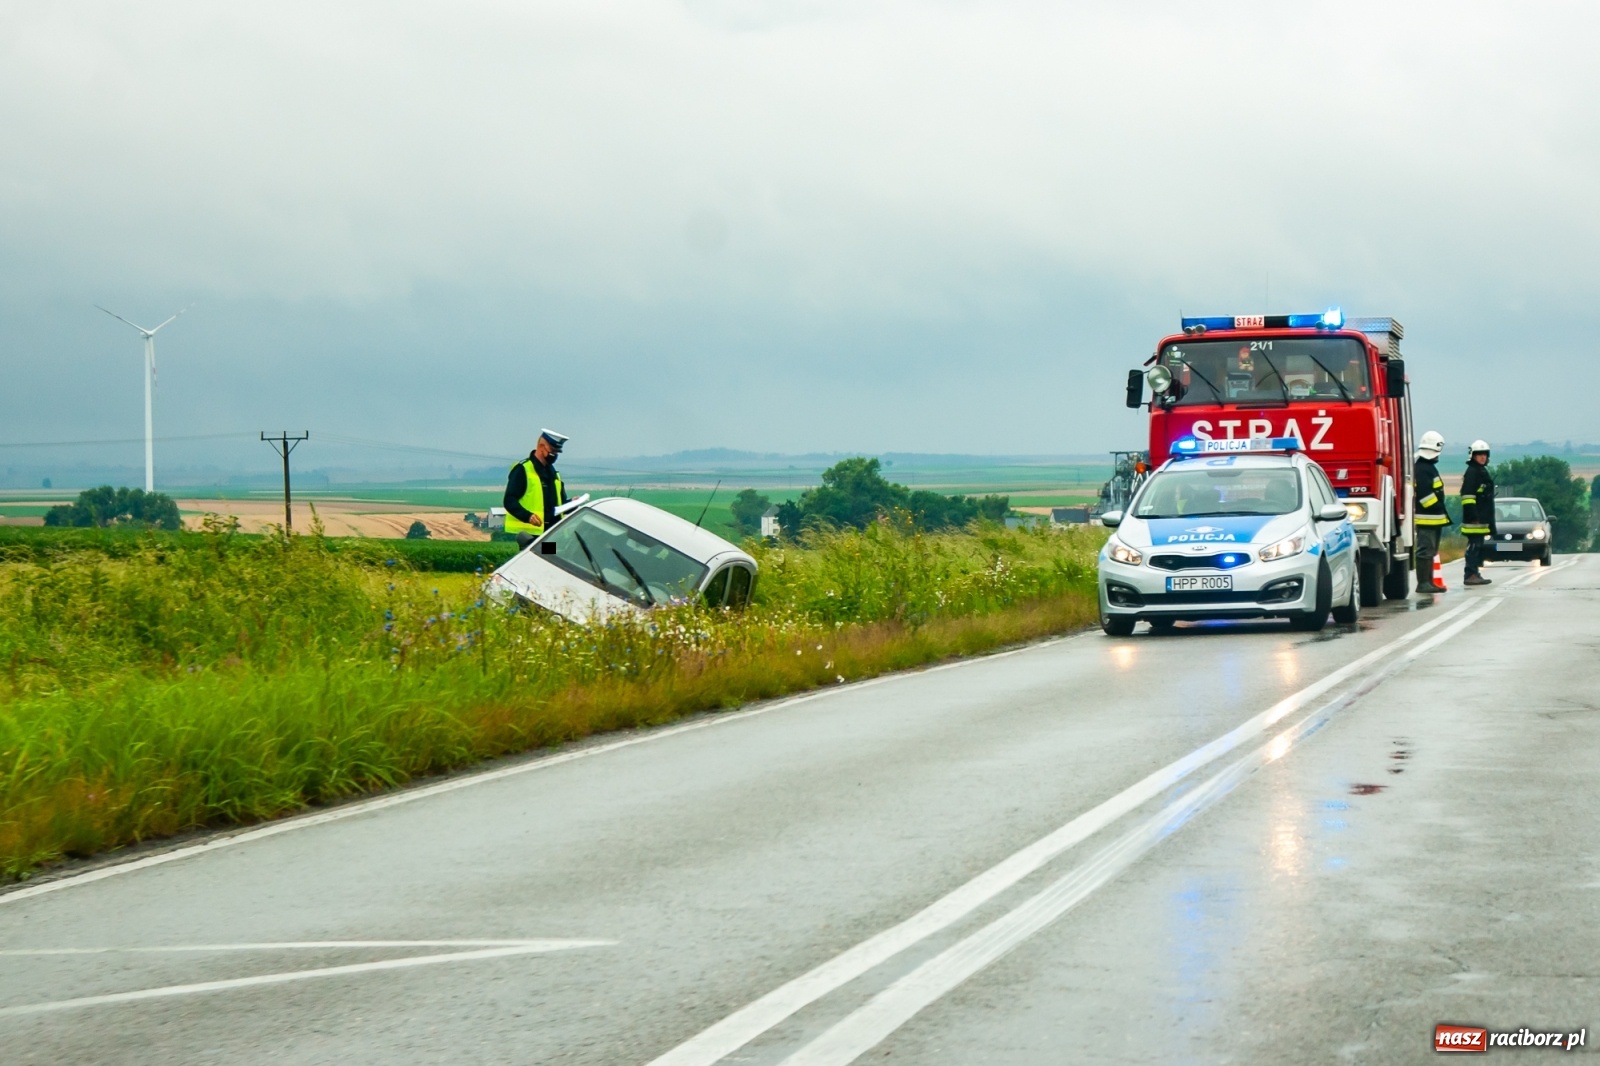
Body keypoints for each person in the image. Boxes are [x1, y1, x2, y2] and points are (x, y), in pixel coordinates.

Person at [503, 429, 570, 550]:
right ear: (541, 446)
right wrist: (528, 516)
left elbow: (558, 505)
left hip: (551, 534)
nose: (555, 455)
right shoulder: (523, 469)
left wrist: (573, 503)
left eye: (557, 452)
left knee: (548, 564)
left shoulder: (553, 474)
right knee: (531, 565)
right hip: (530, 537)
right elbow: (509, 501)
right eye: (552, 451)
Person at [1413, 430, 1450, 592]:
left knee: (1430, 551)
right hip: (1427, 517)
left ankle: (1428, 582)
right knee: (1425, 551)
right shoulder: (1422, 469)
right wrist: (1437, 506)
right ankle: (1423, 583)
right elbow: (1425, 495)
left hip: (1433, 517)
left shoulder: (1427, 467)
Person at [1459, 439, 1496, 586]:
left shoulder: (1480, 471)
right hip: (1474, 520)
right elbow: (1467, 496)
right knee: (1474, 547)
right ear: (1472, 456)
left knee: (1478, 546)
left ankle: (1474, 573)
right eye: (1479, 454)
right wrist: (1473, 516)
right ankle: (1471, 574)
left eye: (1484, 454)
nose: (1482, 457)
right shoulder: (1472, 472)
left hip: (1480, 519)